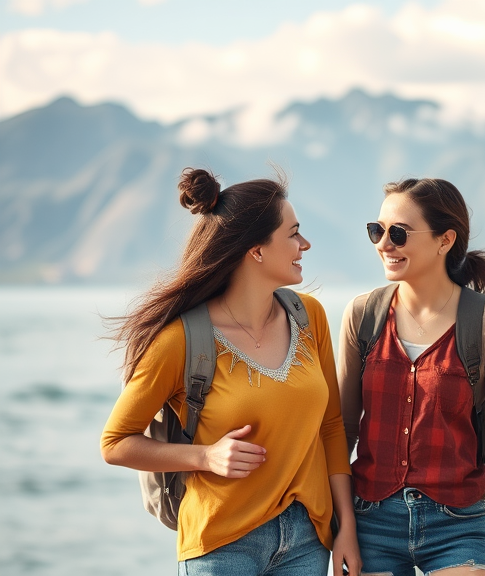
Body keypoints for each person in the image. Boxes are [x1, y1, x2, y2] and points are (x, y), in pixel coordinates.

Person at [101, 168, 360, 575]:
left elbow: (330, 428)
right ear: (256, 250)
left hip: (307, 540)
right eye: (293, 234)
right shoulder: (180, 339)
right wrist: (205, 456)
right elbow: (115, 443)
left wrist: (346, 528)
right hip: (221, 543)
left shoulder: (308, 316)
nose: (305, 244)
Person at [337, 178, 485, 576]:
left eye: (398, 233)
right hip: (371, 521)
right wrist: (343, 526)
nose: (383, 244)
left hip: (458, 525)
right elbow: (341, 430)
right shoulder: (363, 315)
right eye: (376, 230)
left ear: (445, 240)